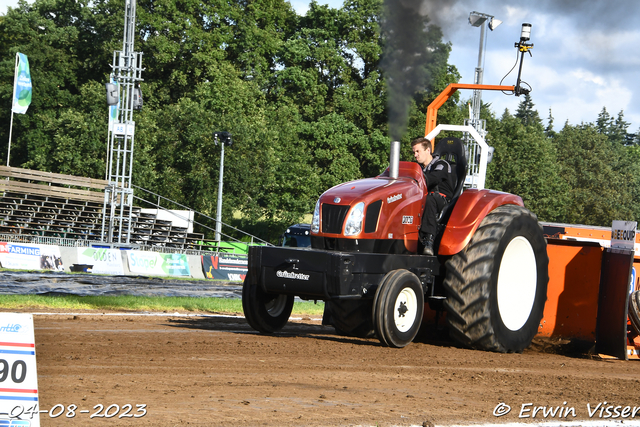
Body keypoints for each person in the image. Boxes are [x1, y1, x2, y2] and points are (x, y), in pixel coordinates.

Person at [411, 137, 455, 255]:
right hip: (426, 198)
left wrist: (417, 179)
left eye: (417, 151)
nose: (415, 155)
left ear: (428, 150)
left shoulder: (442, 165)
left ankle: (428, 240)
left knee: (430, 198)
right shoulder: (419, 169)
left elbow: (434, 178)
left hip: (442, 201)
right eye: (414, 152)